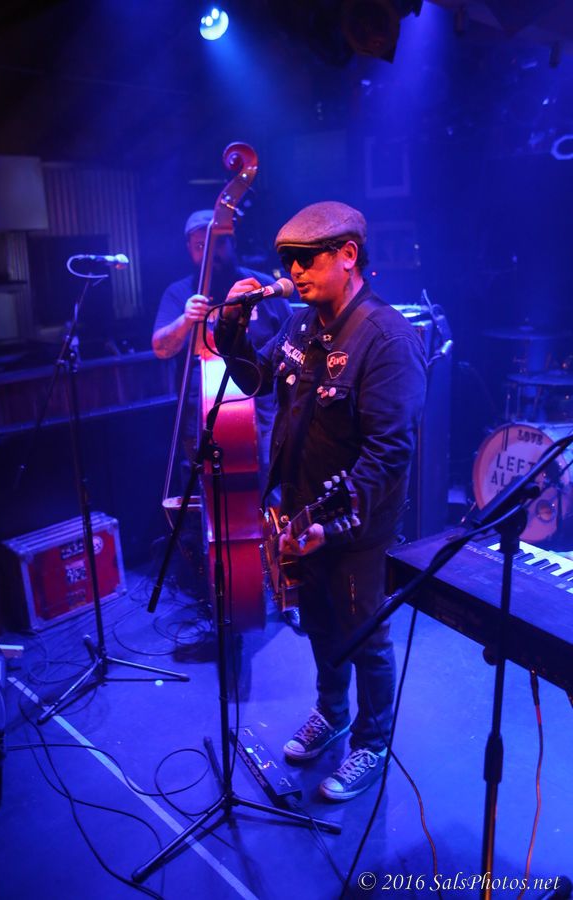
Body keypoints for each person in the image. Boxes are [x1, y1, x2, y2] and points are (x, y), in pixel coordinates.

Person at [215, 201, 427, 801]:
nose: (295, 271)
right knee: (320, 624)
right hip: (301, 508)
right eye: (289, 260)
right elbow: (257, 381)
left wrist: (330, 527)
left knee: (366, 635)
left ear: (348, 255)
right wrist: (230, 329)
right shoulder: (303, 325)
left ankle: (373, 741)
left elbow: (389, 451)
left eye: (308, 259)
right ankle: (331, 712)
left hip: (356, 523)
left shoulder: (387, 339)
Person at [152, 209, 292, 490]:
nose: (210, 253)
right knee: (208, 490)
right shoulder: (180, 293)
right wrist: (185, 320)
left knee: (272, 483)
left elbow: (291, 338)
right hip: (203, 412)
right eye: (200, 246)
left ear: (233, 242)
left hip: (265, 408)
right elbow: (161, 349)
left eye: (218, 243)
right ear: (188, 249)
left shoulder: (262, 286)